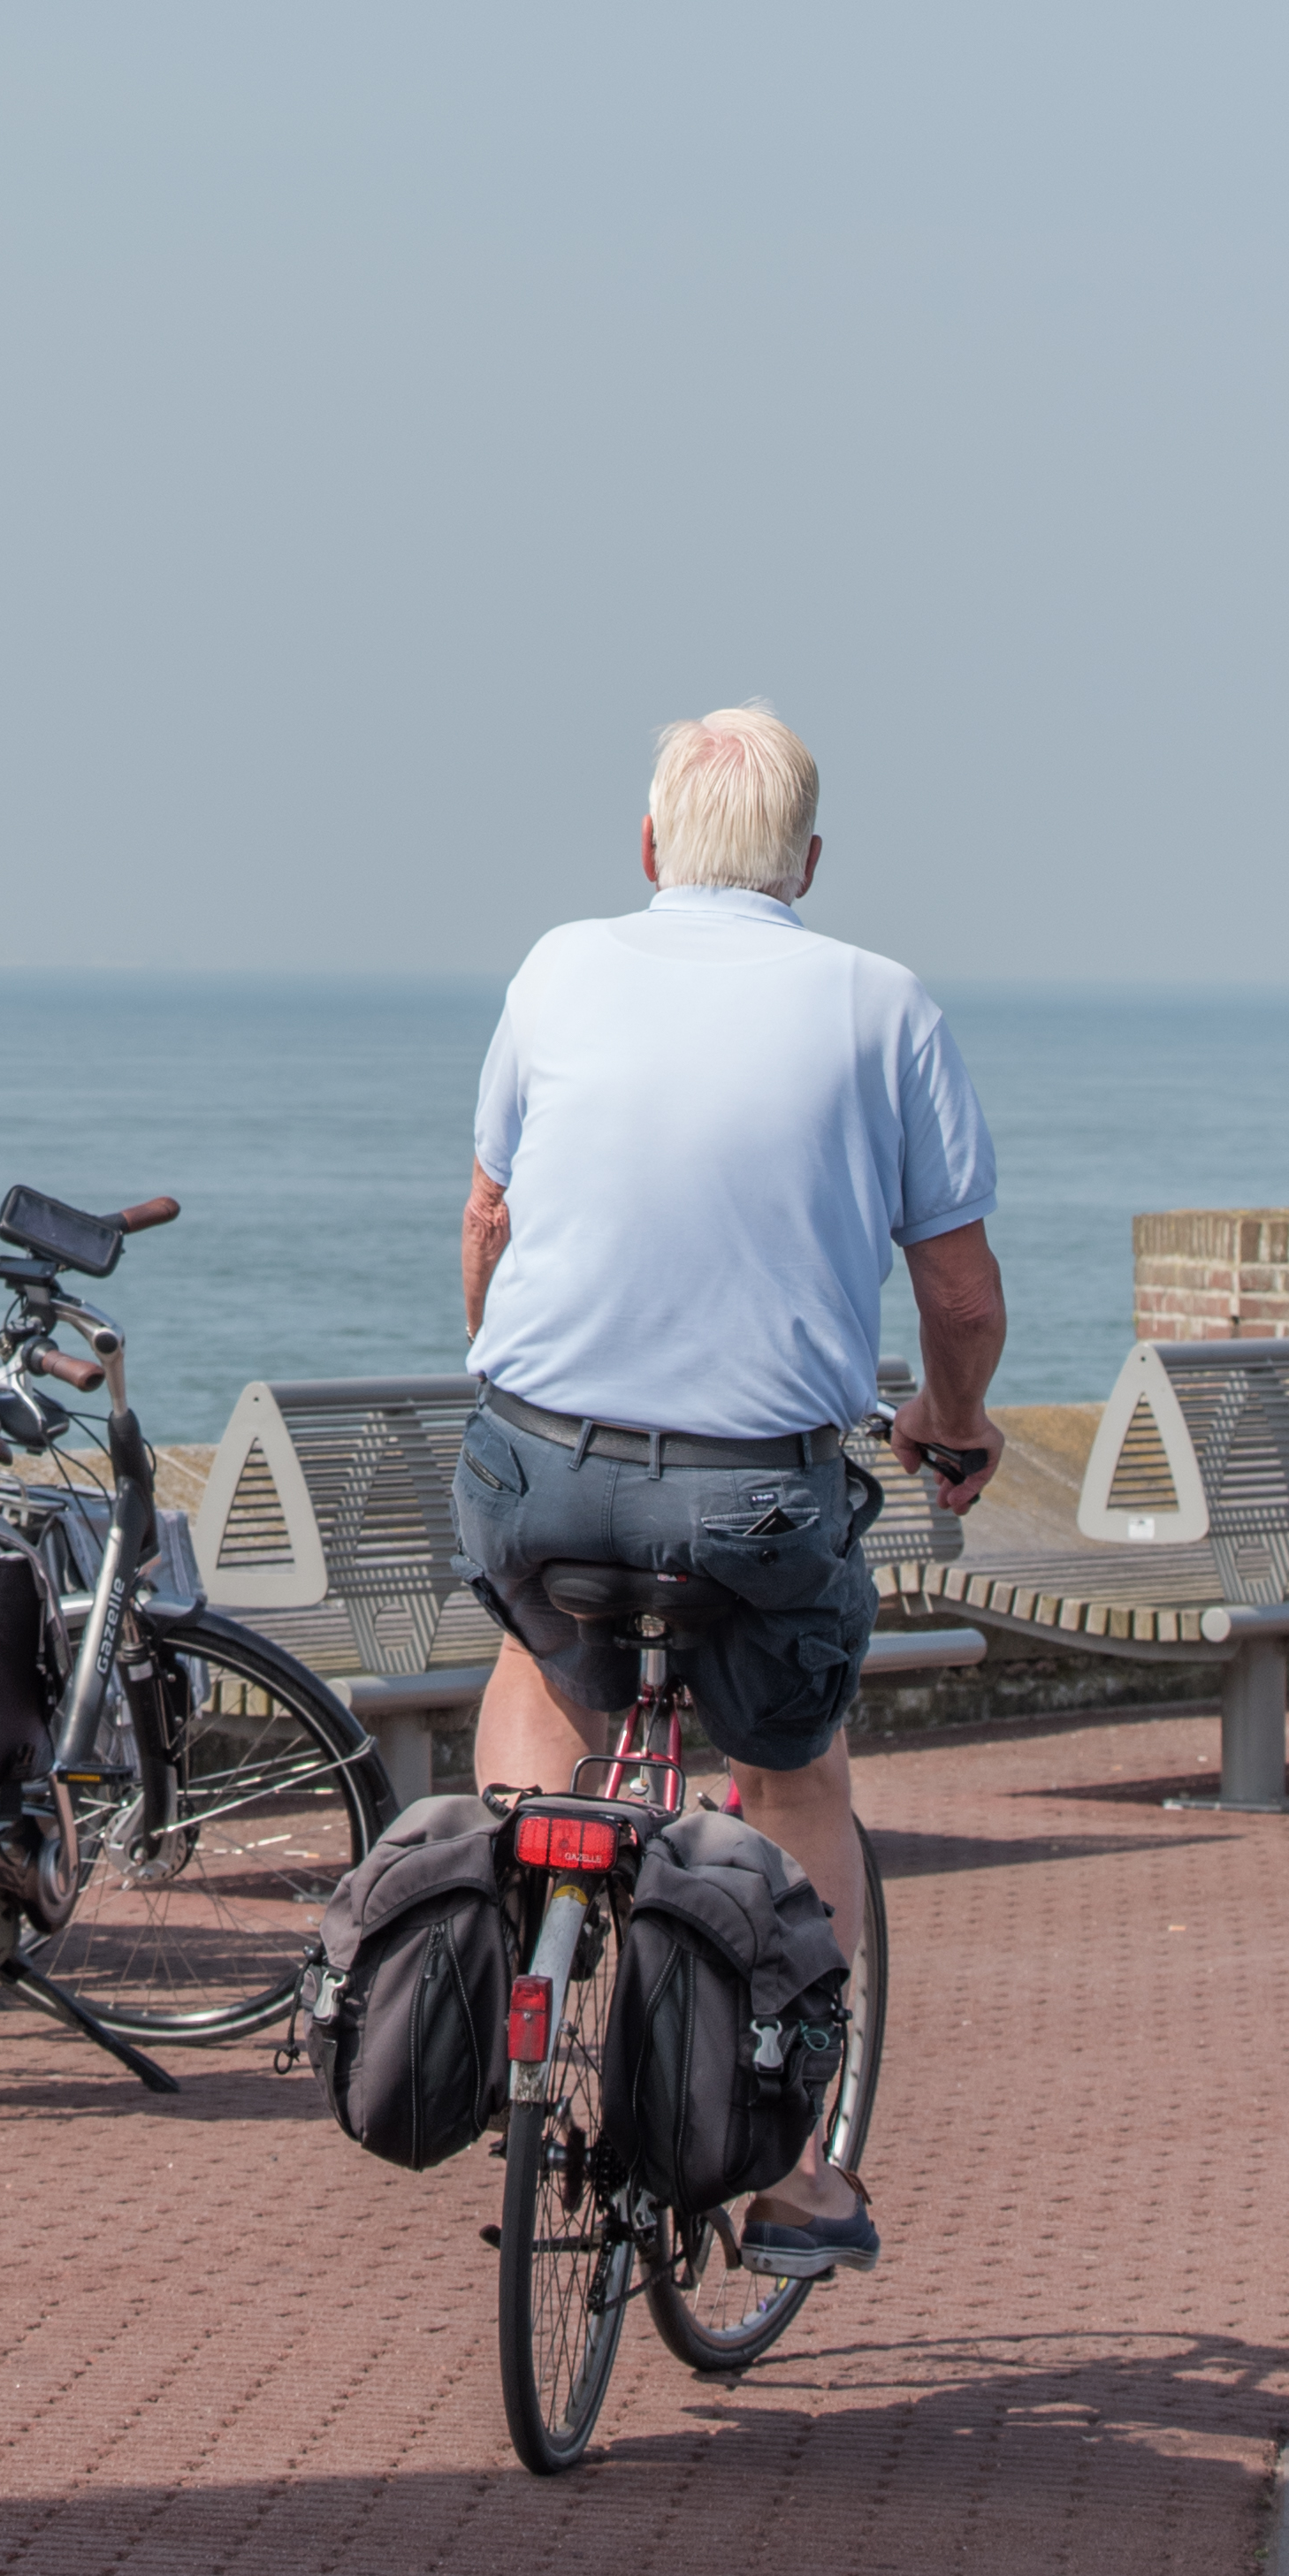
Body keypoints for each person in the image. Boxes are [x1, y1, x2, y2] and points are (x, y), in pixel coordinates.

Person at [454, 704, 1007, 2275]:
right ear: (807, 866)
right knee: (790, 1783)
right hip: (753, 1500)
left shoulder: (557, 967)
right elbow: (957, 1304)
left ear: (646, 851)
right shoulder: (877, 1006)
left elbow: (489, 1223)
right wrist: (947, 1421)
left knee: (534, 1640)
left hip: (538, 1459)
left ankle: (527, 1976)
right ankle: (788, 2174)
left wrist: (521, 1394)